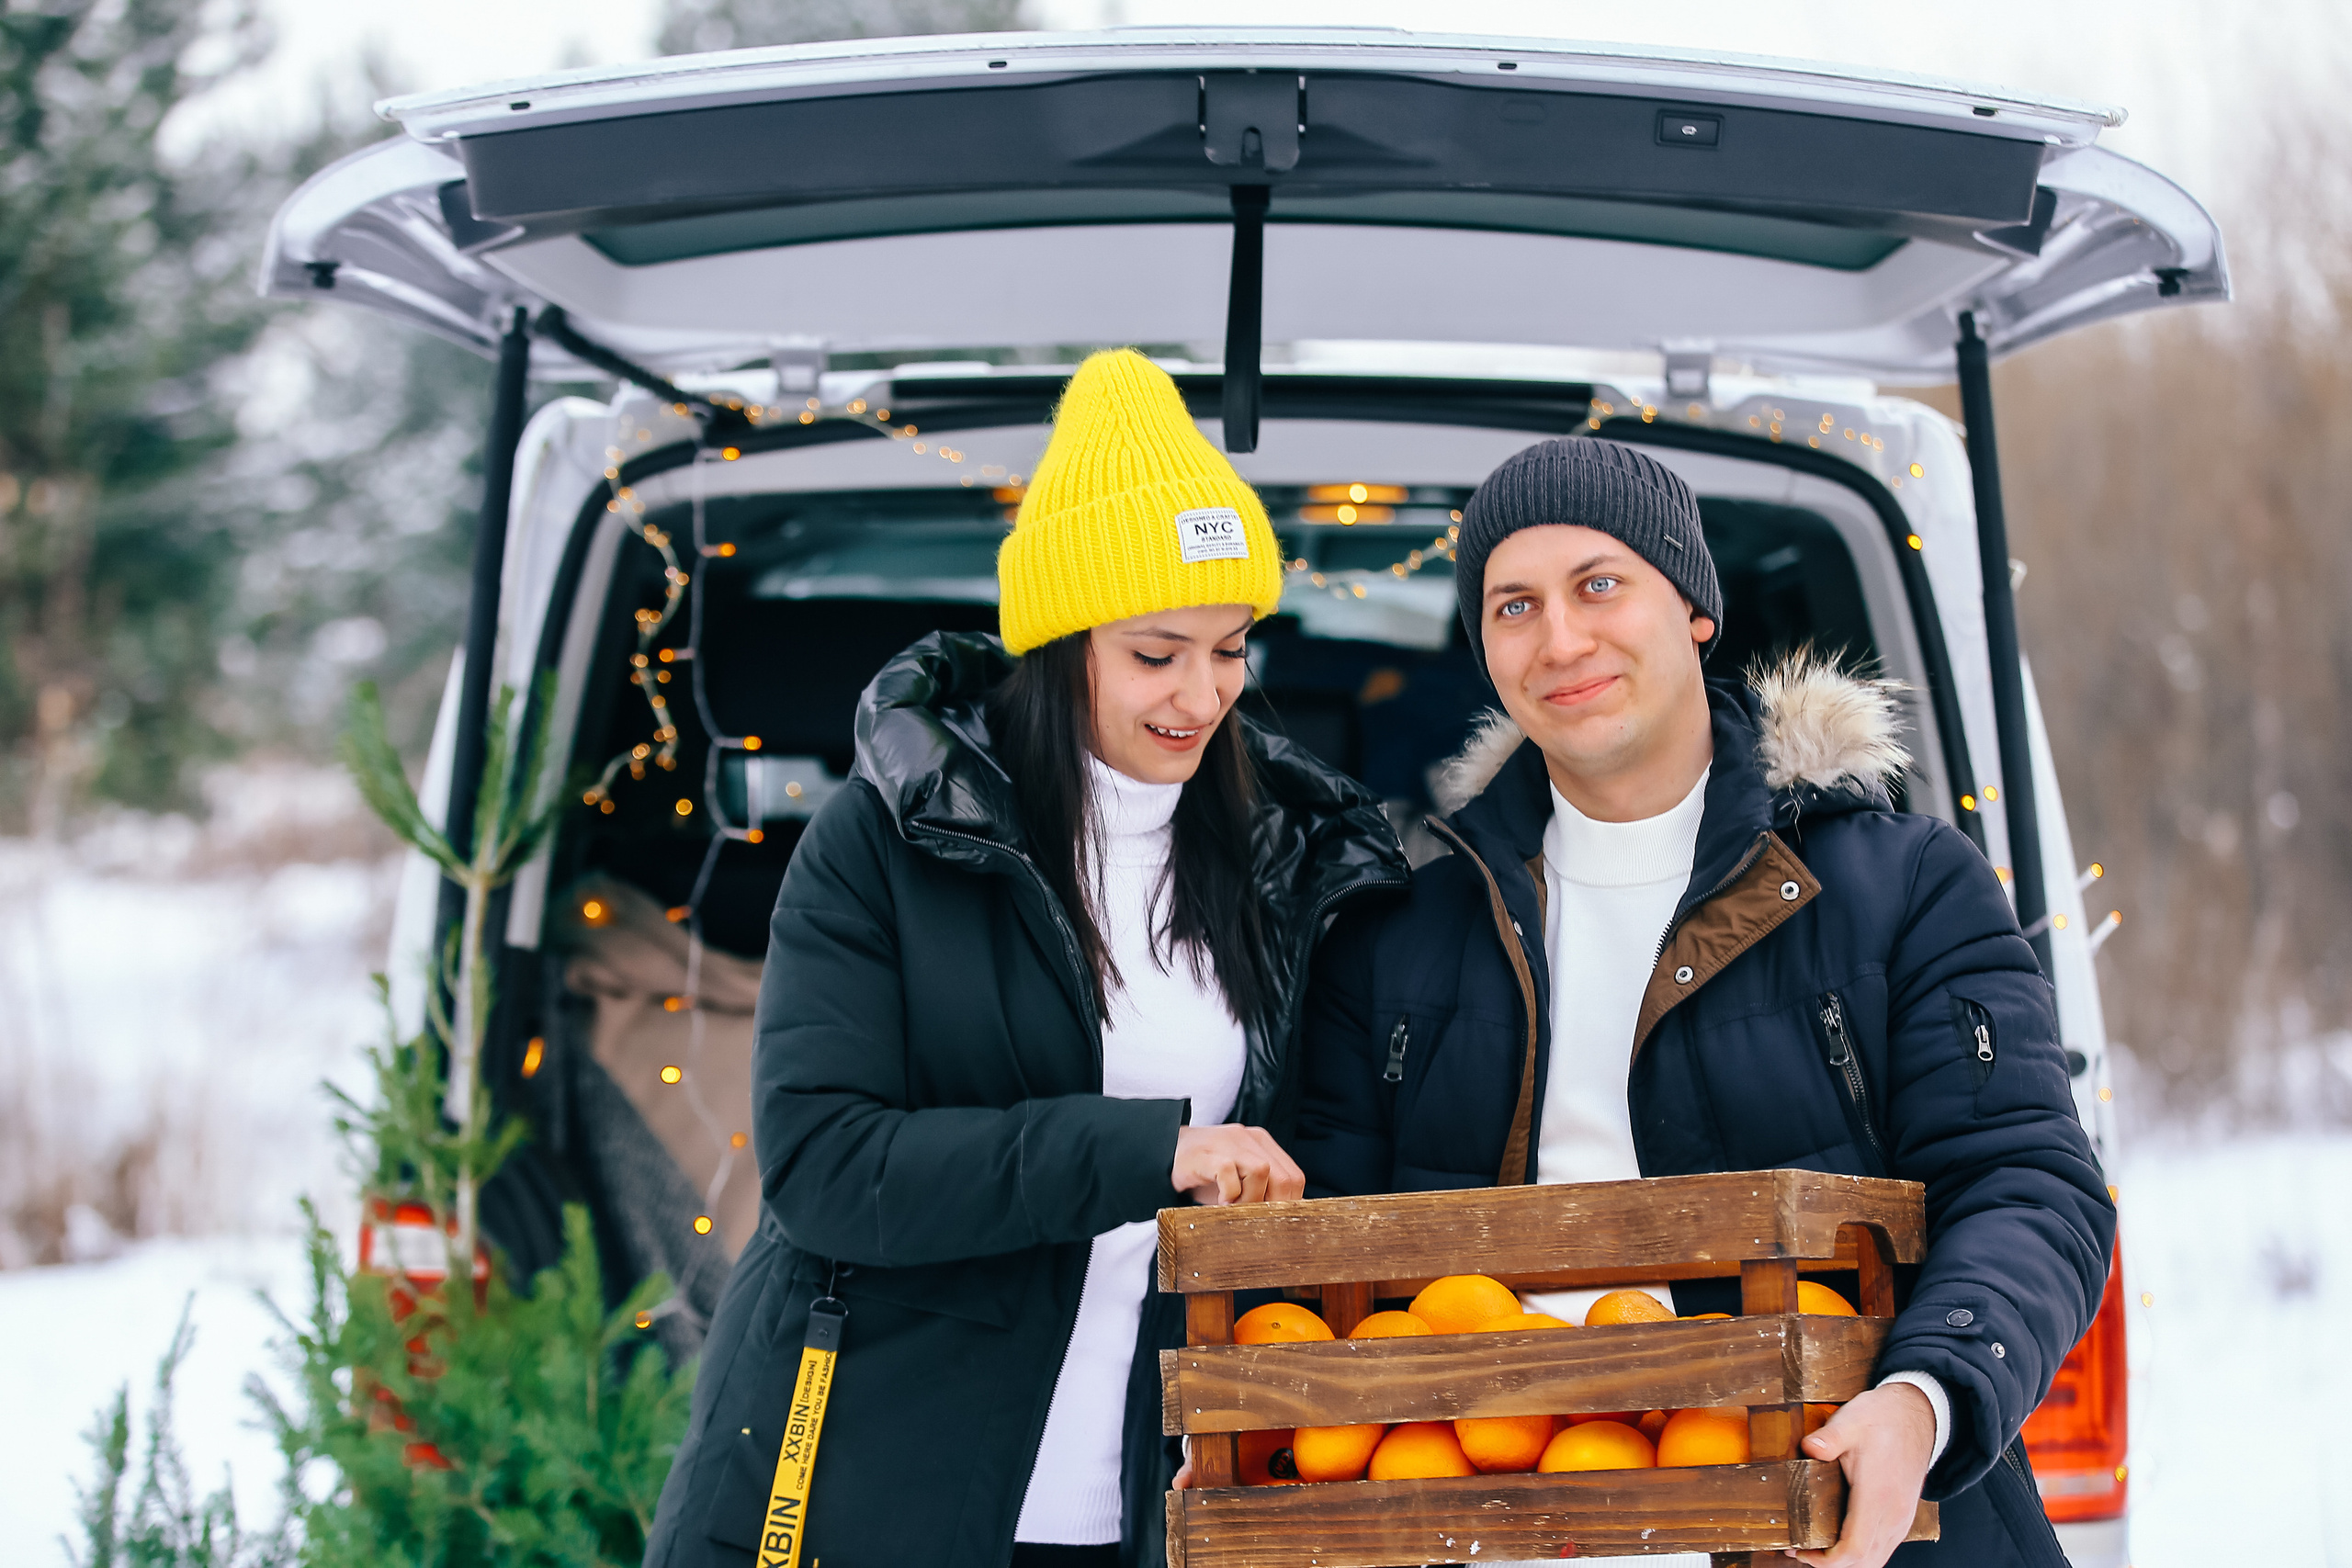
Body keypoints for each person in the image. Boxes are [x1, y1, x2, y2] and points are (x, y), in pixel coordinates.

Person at [644, 349, 1408, 1568]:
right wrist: (1149, 1152)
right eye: (1156, 653)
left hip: (1144, 1501)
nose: (1204, 694)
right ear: (1059, 643)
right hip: (872, 1487)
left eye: (1231, 648)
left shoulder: (1285, 859)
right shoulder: (888, 838)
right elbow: (827, 1166)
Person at [1293, 438, 2113, 1568]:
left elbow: (2027, 1183)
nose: (1559, 639)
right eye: (1513, 606)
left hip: (1840, 1532)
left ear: (1692, 609)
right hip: (1491, 1534)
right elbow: (1312, 1269)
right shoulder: (1393, 943)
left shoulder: (1900, 886)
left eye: (1598, 585)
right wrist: (1260, 1437)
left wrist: (1924, 1397)